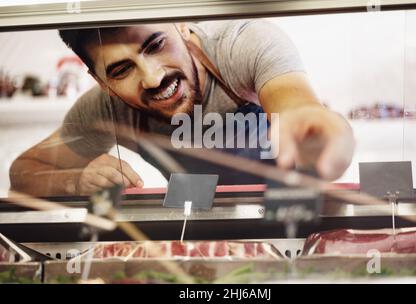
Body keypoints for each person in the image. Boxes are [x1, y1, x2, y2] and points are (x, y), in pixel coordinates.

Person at [9, 19, 354, 196]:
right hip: (198, 233)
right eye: (121, 69)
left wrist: (321, 133)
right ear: (102, 83)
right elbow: (23, 173)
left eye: (156, 45)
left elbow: (297, 105)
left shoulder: (242, 46)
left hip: (291, 219)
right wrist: (75, 181)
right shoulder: (103, 109)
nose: (153, 77)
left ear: (181, 25)